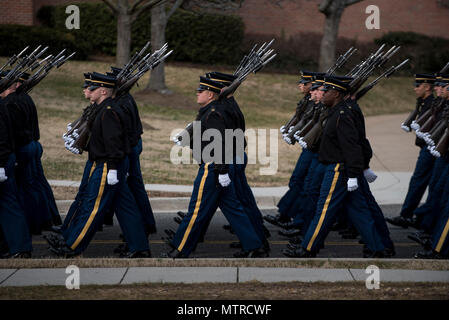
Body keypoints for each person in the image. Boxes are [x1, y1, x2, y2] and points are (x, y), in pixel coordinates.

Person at [45, 72, 150, 258]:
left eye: (92, 88)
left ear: (103, 91)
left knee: (92, 207)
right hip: (109, 163)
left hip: (108, 165)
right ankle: (139, 246)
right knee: (125, 207)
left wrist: (112, 169)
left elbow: (113, 144)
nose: (88, 91)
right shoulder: (104, 108)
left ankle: (73, 246)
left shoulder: (108, 111)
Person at [162, 76, 267, 258]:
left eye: (201, 91)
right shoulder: (212, 110)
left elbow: (219, 145)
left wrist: (222, 170)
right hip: (218, 167)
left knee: (196, 210)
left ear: (210, 94)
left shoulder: (214, 113)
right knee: (233, 208)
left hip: (212, 167)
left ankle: (180, 248)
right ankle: (253, 245)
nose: (198, 93)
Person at [282, 76, 386, 258]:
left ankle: (308, 248)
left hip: (339, 170)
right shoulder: (335, 111)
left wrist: (355, 173)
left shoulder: (342, 115)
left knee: (324, 210)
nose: (322, 94)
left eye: (327, 91)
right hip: (341, 168)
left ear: (336, 94)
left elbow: (352, 146)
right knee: (359, 211)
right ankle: (378, 247)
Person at [264, 71, 317, 227]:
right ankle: (288, 215)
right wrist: (291, 130)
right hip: (310, 147)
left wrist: (296, 133)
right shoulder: (308, 100)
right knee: (299, 181)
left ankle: (290, 216)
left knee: (302, 183)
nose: (300, 85)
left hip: (315, 150)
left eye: (304, 83)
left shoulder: (316, 103)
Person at [387, 74, 436, 228]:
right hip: (427, 148)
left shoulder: (431, 103)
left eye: (418, 85)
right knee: (425, 183)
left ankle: (410, 216)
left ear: (427, 87)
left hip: (430, 148)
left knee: (422, 182)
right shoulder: (423, 102)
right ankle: (417, 217)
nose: (415, 88)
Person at [0, 85, 33, 258]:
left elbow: (2, 137)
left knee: (8, 204)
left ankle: (19, 247)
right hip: (5, 158)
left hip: (2, 160)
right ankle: (13, 245)